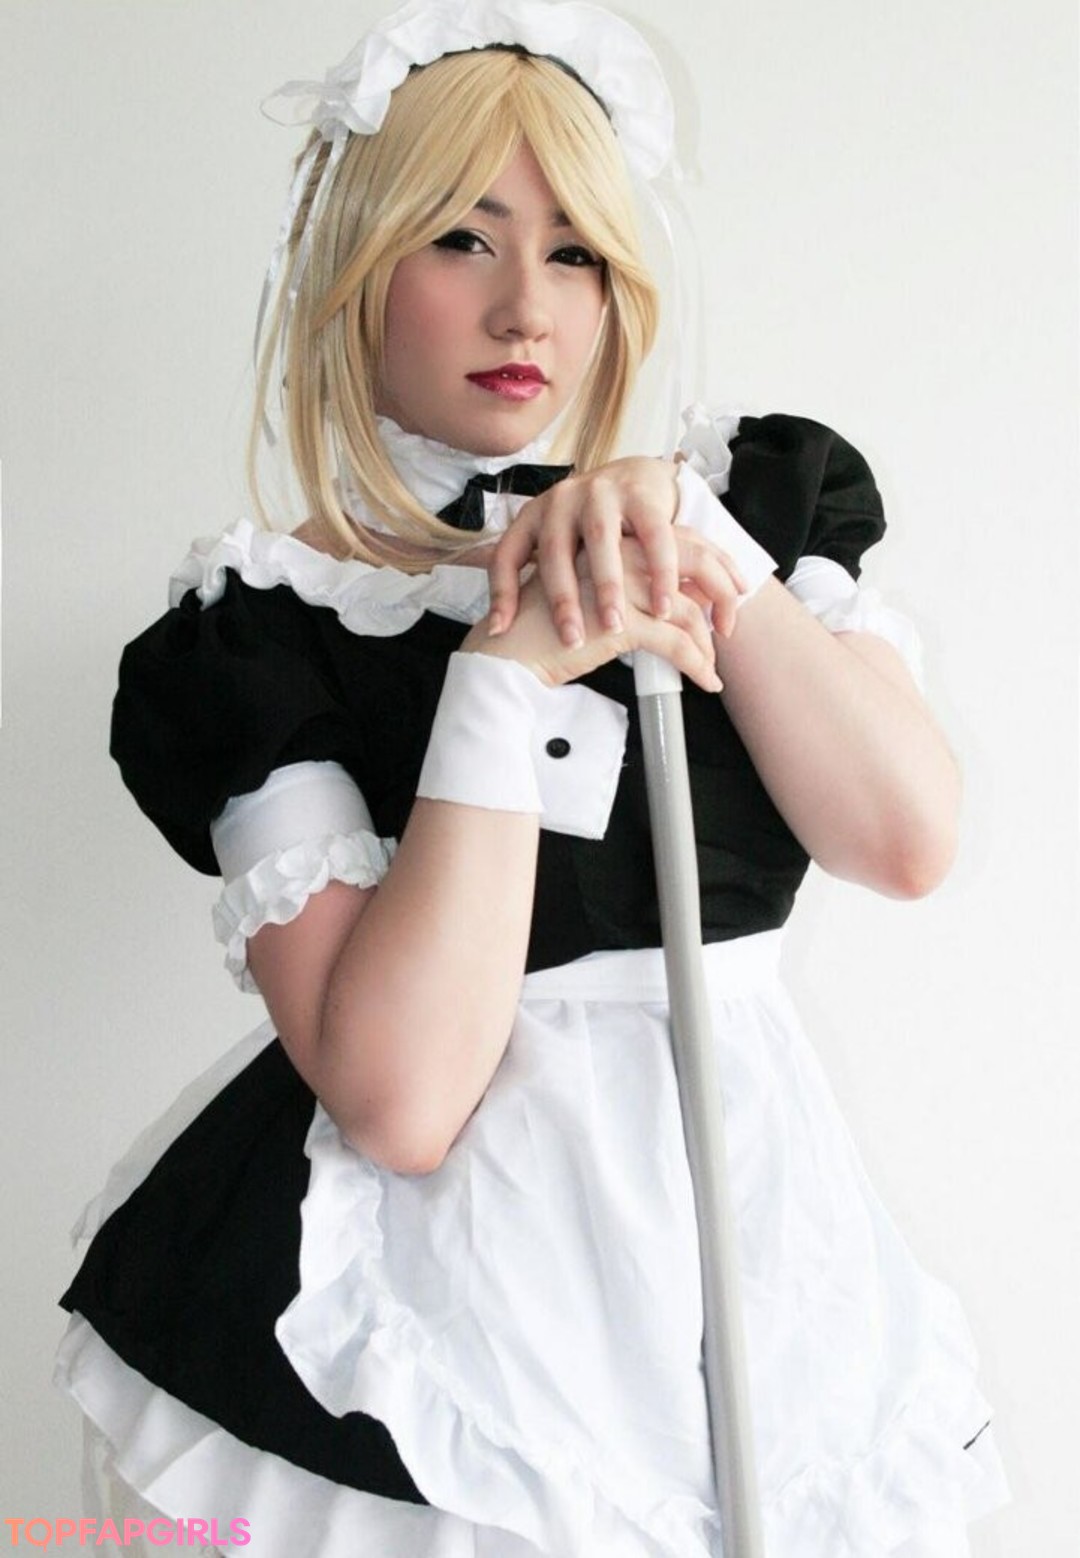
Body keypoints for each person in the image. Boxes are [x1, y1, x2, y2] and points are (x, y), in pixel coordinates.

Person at [55, 2, 1009, 1554]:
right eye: (463, 239)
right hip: (431, 1315)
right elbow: (405, 1097)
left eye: (574, 252)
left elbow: (906, 836)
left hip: (760, 1257)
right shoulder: (261, 636)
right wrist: (499, 679)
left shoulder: (750, 504)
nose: (526, 309)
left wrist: (700, 549)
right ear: (357, 267)